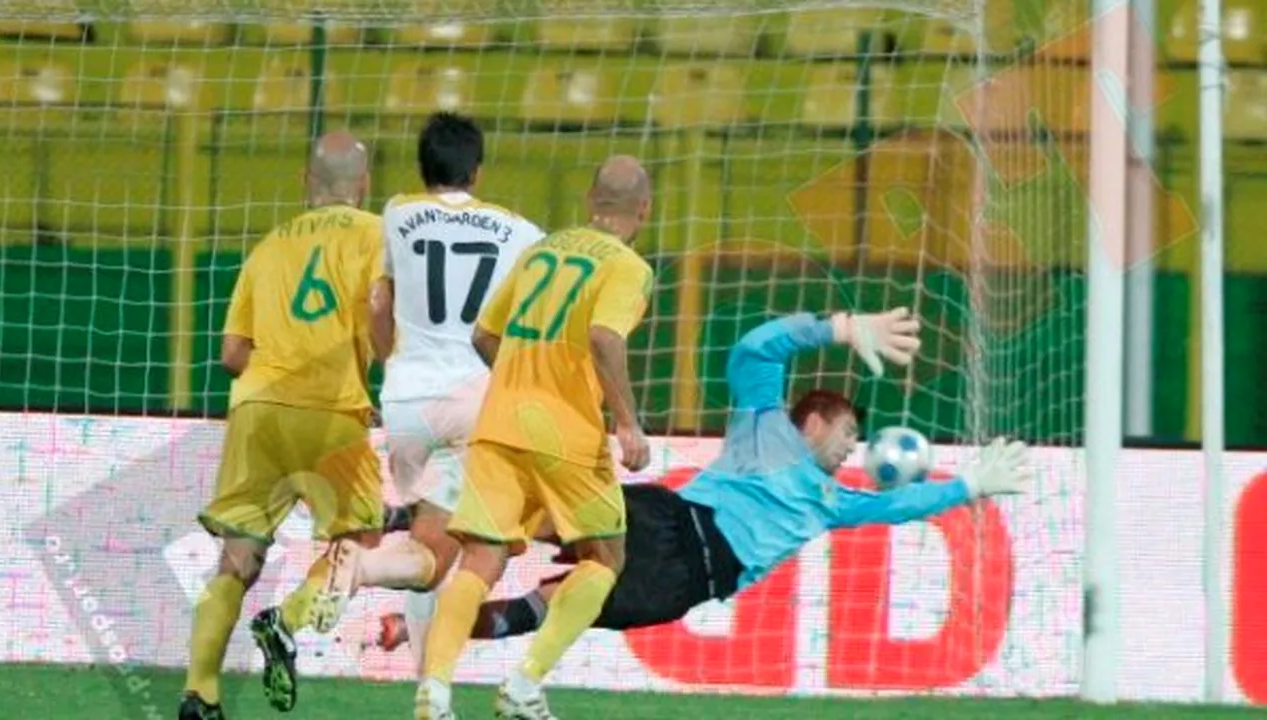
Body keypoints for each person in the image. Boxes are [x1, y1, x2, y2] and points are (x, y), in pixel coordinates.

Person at [370, 312, 1032, 650]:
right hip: (674, 521)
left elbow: (897, 506)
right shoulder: (762, 424)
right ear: (814, 422)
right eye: (848, 432)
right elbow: (754, 350)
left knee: (540, 612)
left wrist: (966, 487)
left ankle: (420, 634)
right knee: (527, 518)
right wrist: (838, 328)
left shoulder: (831, 503)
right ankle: (407, 518)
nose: (853, 447)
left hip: (687, 582)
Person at [179, 130, 427, 720]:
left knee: (236, 558)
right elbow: (379, 310)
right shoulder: (377, 235)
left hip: (257, 411)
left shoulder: (267, 248)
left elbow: (233, 351)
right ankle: (286, 623)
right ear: (364, 185)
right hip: (331, 412)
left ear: (304, 181)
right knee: (360, 541)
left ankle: (199, 694)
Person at [415, 156, 655, 720]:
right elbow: (603, 338)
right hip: (566, 430)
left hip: (500, 421)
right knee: (605, 557)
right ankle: (523, 685)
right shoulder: (628, 267)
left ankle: (435, 692)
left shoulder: (540, 250)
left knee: (480, 558)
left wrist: (522, 387)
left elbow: (484, 335)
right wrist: (626, 421)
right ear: (644, 209)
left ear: (588, 198)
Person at [316, 112, 545, 672]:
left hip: (406, 399)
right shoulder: (522, 231)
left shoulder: (396, 213)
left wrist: (391, 360)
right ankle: (366, 572)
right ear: (478, 170)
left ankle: (426, 689)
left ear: (423, 167)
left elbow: (377, 303)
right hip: (473, 401)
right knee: (451, 552)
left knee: (427, 541)